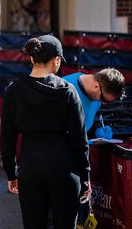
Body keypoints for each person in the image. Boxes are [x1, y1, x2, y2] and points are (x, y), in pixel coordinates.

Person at [0, 35, 91, 228]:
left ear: (32, 58)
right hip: (64, 167)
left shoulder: (13, 91)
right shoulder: (68, 90)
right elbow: (79, 138)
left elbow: (7, 138)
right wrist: (86, 176)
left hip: (30, 166)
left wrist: (11, 172)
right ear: (57, 60)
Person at [62, 68, 125, 228]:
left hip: (79, 159)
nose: (103, 104)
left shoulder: (96, 95)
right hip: (59, 160)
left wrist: (96, 130)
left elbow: (86, 122)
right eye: (104, 100)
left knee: (81, 211)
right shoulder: (66, 87)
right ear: (97, 86)